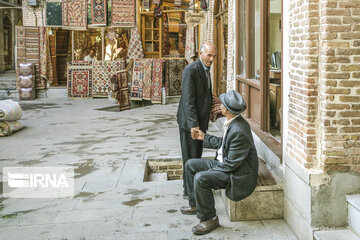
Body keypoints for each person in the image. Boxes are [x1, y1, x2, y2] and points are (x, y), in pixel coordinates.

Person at [180, 90, 259, 235]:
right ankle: (196, 203)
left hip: (237, 174)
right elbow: (223, 144)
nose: (219, 105)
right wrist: (204, 137)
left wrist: (207, 174)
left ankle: (209, 218)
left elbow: (231, 165)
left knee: (201, 178)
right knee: (191, 165)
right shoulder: (233, 122)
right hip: (224, 163)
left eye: (222, 104)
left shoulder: (239, 130)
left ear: (227, 110)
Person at [177, 42, 216, 198]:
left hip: (200, 123)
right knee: (190, 159)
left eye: (214, 56)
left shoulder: (206, 69)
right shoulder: (191, 70)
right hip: (190, 124)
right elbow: (188, 100)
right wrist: (194, 125)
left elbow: (205, 94)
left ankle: (192, 188)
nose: (212, 59)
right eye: (209, 55)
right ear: (201, 54)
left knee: (196, 157)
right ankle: (190, 193)